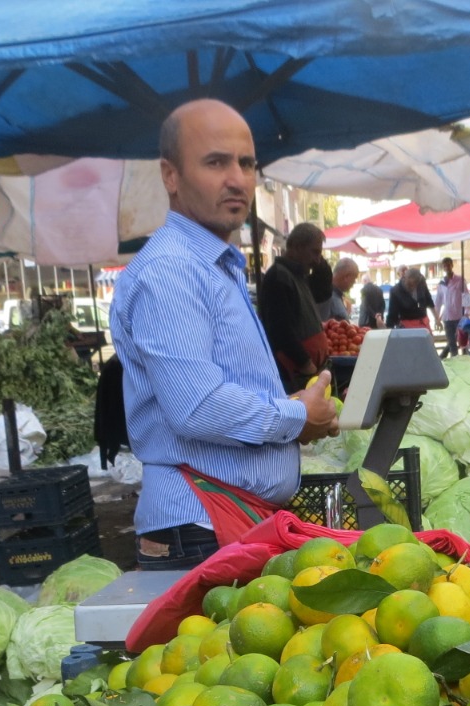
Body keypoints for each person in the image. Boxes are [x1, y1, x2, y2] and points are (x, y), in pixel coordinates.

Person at [110, 99, 338, 570]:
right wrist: (294, 417)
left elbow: (216, 387)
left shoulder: (211, 265)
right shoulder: (171, 270)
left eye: (247, 163)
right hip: (200, 527)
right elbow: (196, 407)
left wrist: (291, 407)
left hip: (227, 519)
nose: (237, 179)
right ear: (171, 176)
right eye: (215, 162)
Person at [258, 222, 329, 393]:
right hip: (293, 375)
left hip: (304, 373)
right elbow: (280, 329)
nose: (317, 260)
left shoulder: (297, 276)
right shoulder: (279, 277)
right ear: (296, 247)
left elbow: (324, 289)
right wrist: (305, 363)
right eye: (314, 252)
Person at [434, 257, 468, 357]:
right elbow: (438, 301)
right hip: (447, 317)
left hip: (459, 316)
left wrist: (466, 312)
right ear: (443, 268)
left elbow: (466, 296)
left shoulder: (460, 280)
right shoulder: (441, 284)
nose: (447, 267)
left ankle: (447, 356)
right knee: (452, 342)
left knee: (462, 340)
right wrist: (437, 318)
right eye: (445, 266)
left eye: (449, 265)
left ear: (452, 265)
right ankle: (454, 360)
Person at [326, 257, 360, 322]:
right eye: (354, 278)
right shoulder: (327, 297)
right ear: (347, 277)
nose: (354, 282)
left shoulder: (333, 295)